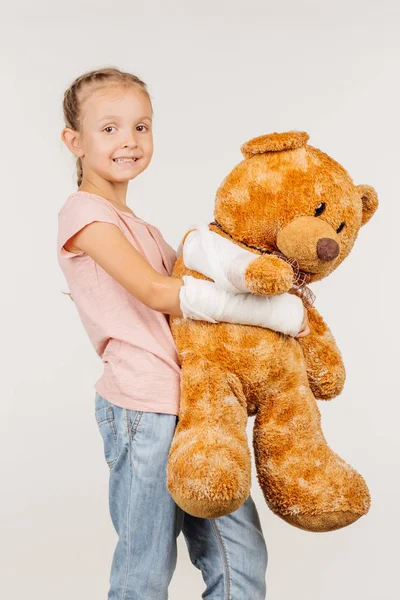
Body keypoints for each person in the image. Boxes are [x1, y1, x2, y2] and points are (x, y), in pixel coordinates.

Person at [57, 67, 309, 600]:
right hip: (143, 408)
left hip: (197, 409)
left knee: (239, 558)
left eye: (141, 126)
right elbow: (156, 291)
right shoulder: (83, 214)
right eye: (109, 129)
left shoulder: (143, 226)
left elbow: (193, 295)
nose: (128, 140)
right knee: (146, 565)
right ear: (73, 141)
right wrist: (265, 310)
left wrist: (281, 283)